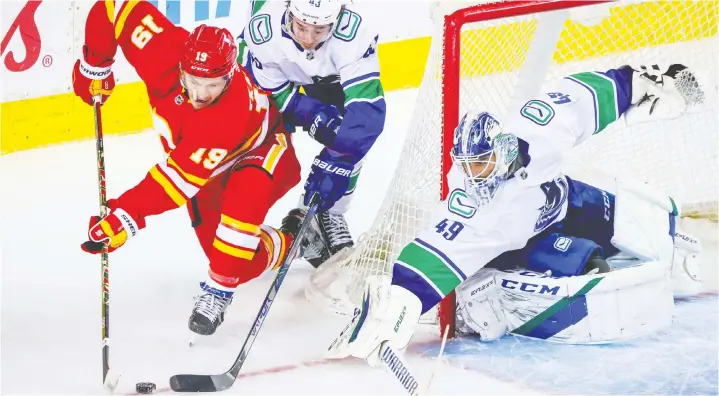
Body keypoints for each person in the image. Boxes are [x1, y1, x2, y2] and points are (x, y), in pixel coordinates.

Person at [328, 63, 706, 361]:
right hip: (528, 241)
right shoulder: (473, 207)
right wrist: (401, 302)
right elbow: (435, 250)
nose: (476, 173)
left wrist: (638, 83)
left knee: (650, 226)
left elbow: (581, 97)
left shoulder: (536, 130)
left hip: (565, 200)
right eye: (468, 165)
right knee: (588, 271)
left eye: (483, 161)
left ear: (502, 147)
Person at [72, 0, 302, 337]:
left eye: (214, 84)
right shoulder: (160, 47)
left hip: (260, 152)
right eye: (194, 81)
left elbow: (174, 182)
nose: (202, 93)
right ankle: (293, 240)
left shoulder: (227, 114)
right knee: (236, 262)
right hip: (205, 172)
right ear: (180, 67)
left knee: (233, 241)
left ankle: (217, 294)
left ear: (230, 74)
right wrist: (95, 65)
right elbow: (112, 8)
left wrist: (126, 215)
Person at [237, 0, 386, 267]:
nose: (308, 38)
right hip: (269, 76)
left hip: (328, 78)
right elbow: (270, 94)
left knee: (350, 136)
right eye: (302, 27)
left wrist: (338, 158)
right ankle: (245, 232)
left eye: (319, 30)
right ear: (288, 11)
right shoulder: (264, 30)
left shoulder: (354, 32)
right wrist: (312, 113)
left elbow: (365, 115)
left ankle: (326, 214)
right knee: (260, 147)